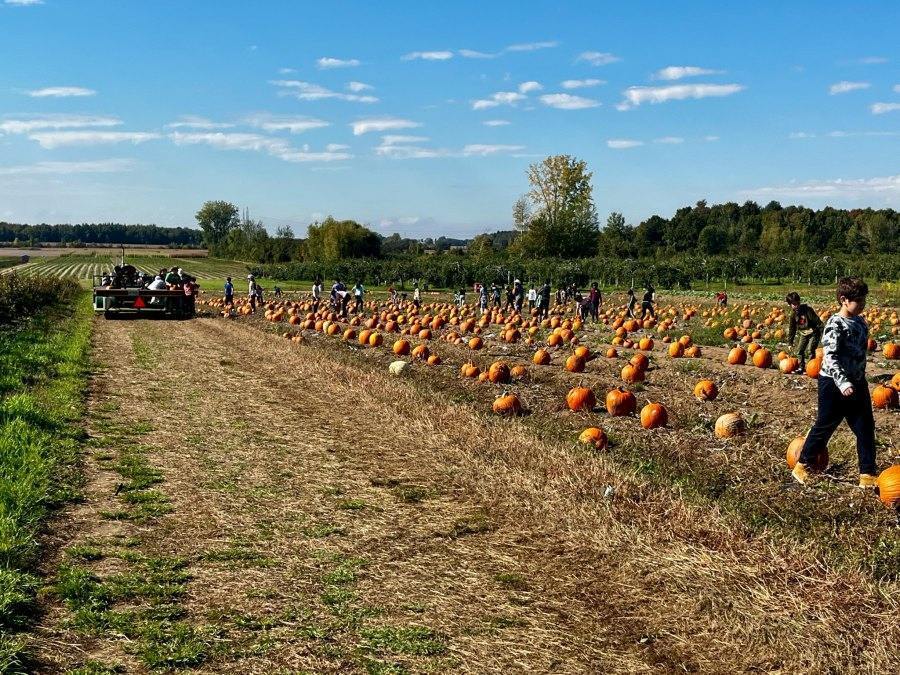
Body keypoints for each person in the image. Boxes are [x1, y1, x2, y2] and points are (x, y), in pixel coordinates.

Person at [792, 278, 877, 488]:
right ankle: (802, 465)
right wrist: (842, 382)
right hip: (833, 383)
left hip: (857, 383)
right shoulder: (834, 324)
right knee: (825, 425)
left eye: (864, 299)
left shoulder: (860, 322)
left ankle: (867, 474)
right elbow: (830, 357)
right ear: (844, 300)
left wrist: (857, 379)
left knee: (865, 428)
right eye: (859, 300)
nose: (863, 304)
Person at [786, 291, 824, 369]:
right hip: (804, 333)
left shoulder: (807, 310)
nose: (796, 306)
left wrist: (823, 335)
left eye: (797, 303)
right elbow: (792, 329)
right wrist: (790, 342)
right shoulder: (793, 315)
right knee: (799, 351)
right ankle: (801, 367)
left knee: (810, 350)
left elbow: (818, 322)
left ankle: (811, 368)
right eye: (794, 304)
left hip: (814, 333)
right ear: (790, 305)